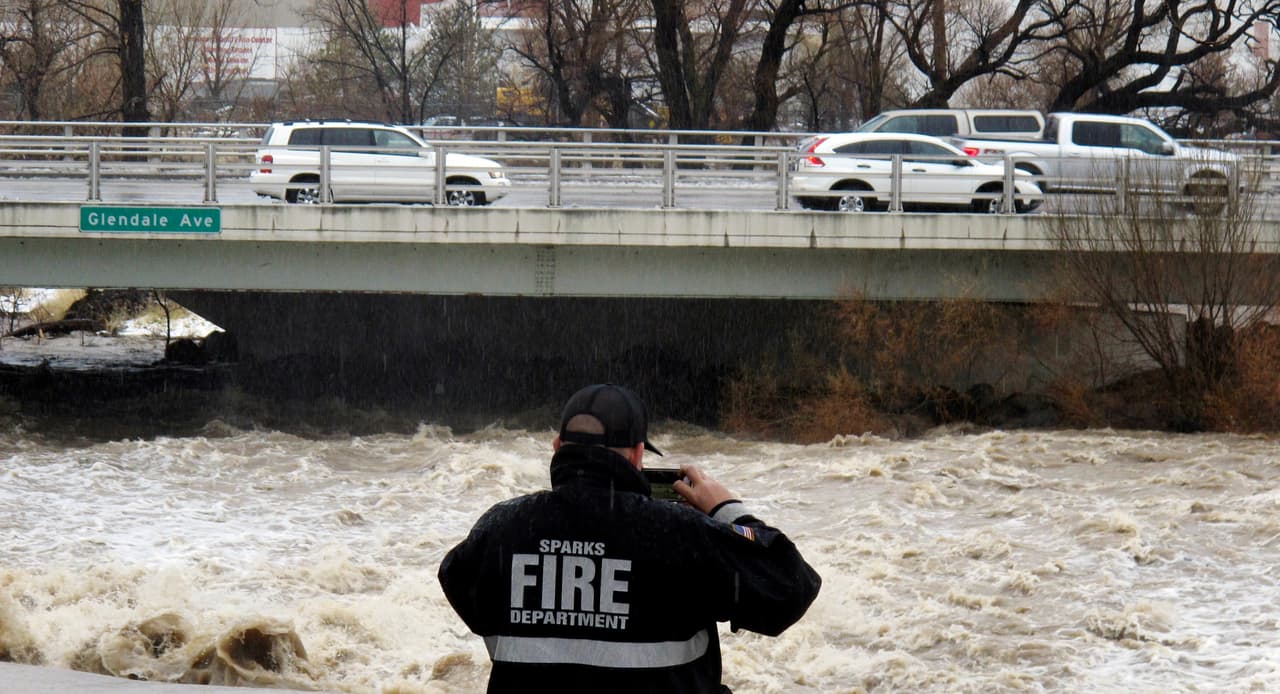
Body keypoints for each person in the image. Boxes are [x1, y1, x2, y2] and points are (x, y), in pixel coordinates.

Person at [438, 383, 822, 693]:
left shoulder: (501, 530)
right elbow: (790, 586)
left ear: (557, 447)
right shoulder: (679, 534)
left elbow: (459, 582)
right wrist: (725, 509)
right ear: (638, 455)